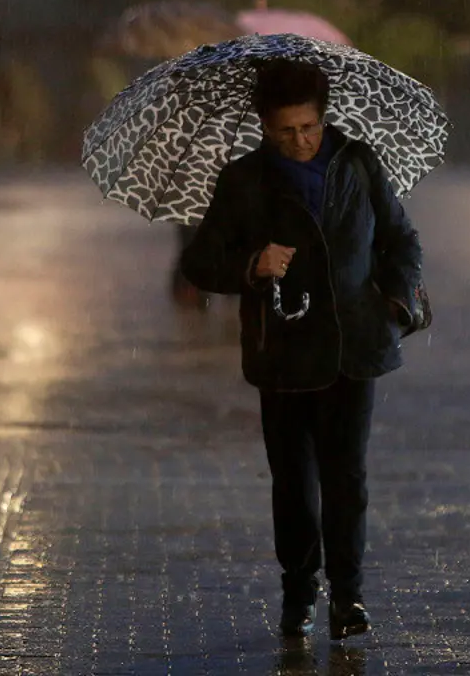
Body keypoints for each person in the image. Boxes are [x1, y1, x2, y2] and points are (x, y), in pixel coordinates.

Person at [180, 60, 424, 640]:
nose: (302, 141)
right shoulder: (243, 180)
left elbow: (402, 238)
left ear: (323, 118)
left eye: (310, 127)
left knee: (349, 478)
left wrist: (396, 299)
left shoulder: (358, 163)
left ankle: (348, 599)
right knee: (293, 482)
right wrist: (252, 264)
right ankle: (298, 591)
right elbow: (197, 263)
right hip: (283, 355)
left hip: (352, 348)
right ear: (265, 125)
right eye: (287, 131)